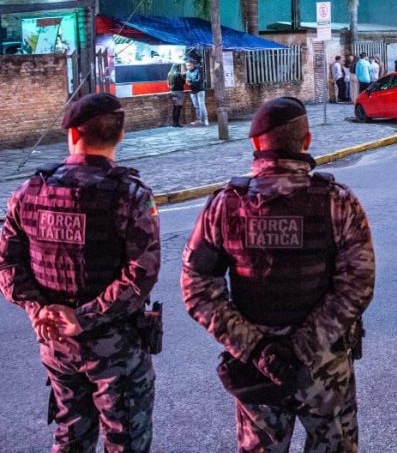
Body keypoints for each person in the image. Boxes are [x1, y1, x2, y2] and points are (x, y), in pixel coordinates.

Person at [181, 97, 375, 452]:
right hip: (324, 367)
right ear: (307, 140)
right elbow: (358, 285)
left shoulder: (225, 205)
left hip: (257, 371)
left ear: (255, 144)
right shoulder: (338, 202)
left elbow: (196, 285)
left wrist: (257, 349)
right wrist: (303, 346)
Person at [0, 92, 161, 452]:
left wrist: (38, 309)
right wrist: (83, 318)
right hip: (116, 351)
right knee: (126, 441)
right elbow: (141, 275)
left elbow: (8, 264)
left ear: (73, 134)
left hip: (56, 344)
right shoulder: (130, 196)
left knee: (71, 437)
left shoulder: (29, 192)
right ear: (120, 135)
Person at [186, 56, 209, 126]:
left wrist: (191, 82)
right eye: (187, 65)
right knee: (196, 106)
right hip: (193, 90)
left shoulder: (198, 70)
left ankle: (205, 120)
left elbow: (199, 80)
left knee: (201, 104)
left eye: (189, 65)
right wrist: (189, 82)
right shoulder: (187, 72)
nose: (188, 67)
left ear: (193, 65)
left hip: (200, 90)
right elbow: (187, 81)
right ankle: (199, 120)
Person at [168, 62, 187, 126]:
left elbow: (168, 84)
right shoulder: (178, 74)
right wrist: (183, 78)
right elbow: (182, 83)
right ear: (178, 67)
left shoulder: (169, 74)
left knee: (175, 107)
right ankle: (177, 123)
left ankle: (174, 123)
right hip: (179, 92)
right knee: (179, 107)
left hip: (173, 92)